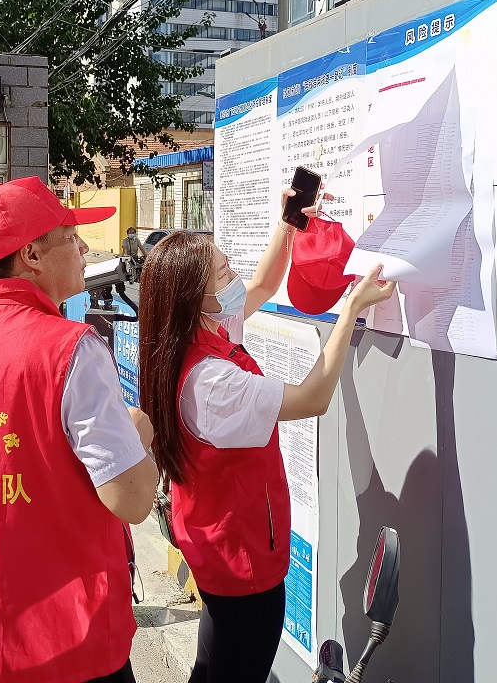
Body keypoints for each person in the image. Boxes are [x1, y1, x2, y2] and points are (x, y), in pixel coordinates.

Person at [0, 176, 158, 683]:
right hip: (68, 643)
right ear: (32, 255)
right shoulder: (73, 350)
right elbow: (132, 500)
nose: (85, 249)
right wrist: (140, 435)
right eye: (71, 237)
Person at [137, 193, 397, 683]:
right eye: (223, 273)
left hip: (216, 545)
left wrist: (288, 224)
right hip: (242, 562)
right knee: (237, 664)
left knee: (214, 662)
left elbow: (263, 284)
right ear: (196, 299)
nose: (234, 276)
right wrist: (351, 308)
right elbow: (313, 398)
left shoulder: (191, 337)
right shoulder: (211, 381)